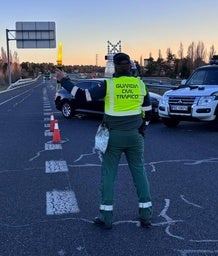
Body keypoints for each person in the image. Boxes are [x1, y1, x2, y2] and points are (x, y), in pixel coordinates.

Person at [55, 52, 153, 229]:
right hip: (135, 136)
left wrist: (64, 80)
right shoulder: (140, 84)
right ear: (130, 67)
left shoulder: (109, 85)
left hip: (114, 136)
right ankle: (146, 215)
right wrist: (142, 128)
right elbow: (147, 111)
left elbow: (82, 95)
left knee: (109, 175)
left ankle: (106, 217)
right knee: (139, 173)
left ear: (114, 68)